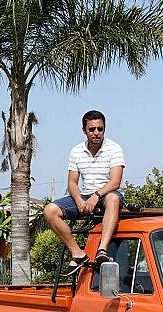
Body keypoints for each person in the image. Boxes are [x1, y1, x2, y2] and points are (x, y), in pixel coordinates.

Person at [44, 110, 125, 276]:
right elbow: (72, 182)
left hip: (107, 194)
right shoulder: (76, 151)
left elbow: (115, 182)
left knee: (113, 199)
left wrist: (96, 195)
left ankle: (102, 250)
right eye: (92, 129)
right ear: (84, 130)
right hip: (86, 195)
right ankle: (78, 254)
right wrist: (80, 200)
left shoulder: (114, 149)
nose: (96, 133)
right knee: (49, 210)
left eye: (100, 129)